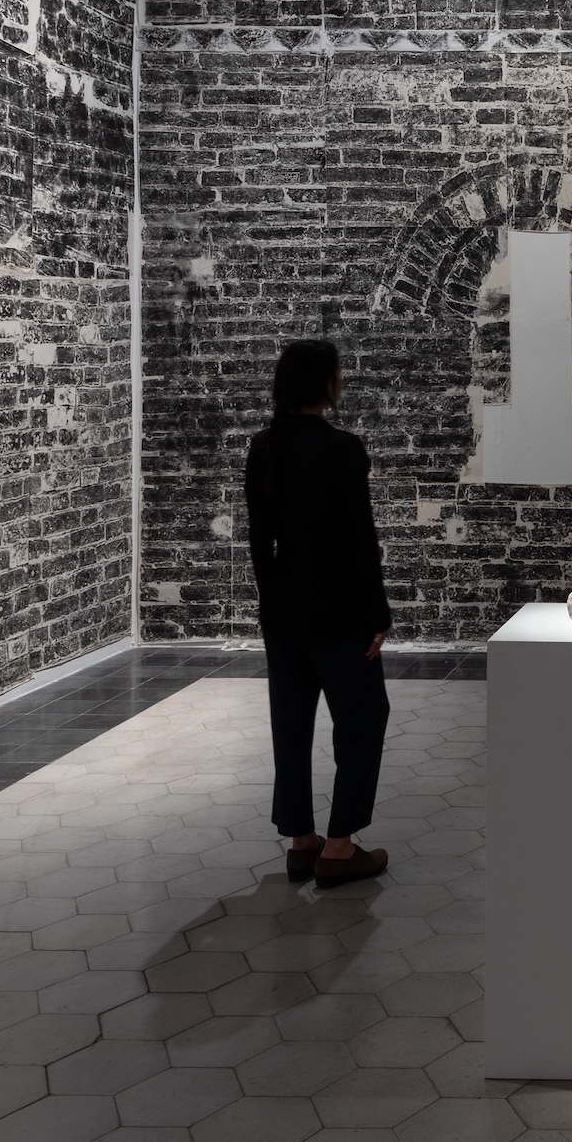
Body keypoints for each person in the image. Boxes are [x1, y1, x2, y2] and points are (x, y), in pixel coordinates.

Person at [246, 339, 394, 888]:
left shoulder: (265, 447)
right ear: (325, 384)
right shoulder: (343, 449)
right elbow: (360, 540)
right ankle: (339, 847)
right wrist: (377, 612)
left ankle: (300, 842)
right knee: (362, 719)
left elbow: (261, 541)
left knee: (291, 725)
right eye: (339, 373)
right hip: (339, 610)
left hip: (284, 612)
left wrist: (271, 603)